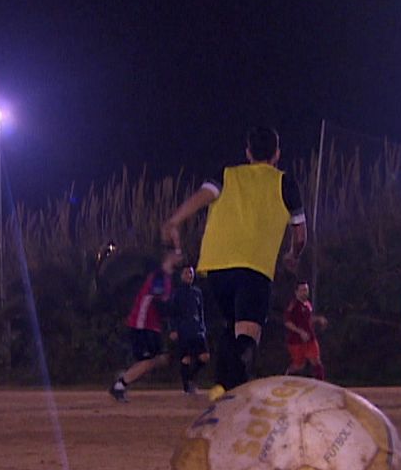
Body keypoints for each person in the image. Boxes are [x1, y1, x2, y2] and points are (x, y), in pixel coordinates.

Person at [162, 126, 306, 398]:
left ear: (248, 152)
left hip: (216, 267)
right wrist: (292, 255)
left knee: (234, 327)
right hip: (254, 267)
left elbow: (201, 198)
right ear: (277, 154)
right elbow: (300, 234)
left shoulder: (226, 175)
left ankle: (224, 386)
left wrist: (174, 220)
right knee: (248, 335)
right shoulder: (285, 182)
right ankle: (228, 390)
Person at [110, 248, 182, 402]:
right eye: (177, 254)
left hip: (152, 325)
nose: (180, 257)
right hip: (142, 323)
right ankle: (119, 385)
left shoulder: (168, 277)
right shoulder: (159, 275)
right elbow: (159, 300)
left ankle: (126, 376)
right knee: (148, 361)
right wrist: (173, 311)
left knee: (162, 359)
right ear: (168, 257)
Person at [169, 265, 211, 395]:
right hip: (184, 330)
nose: (189, 275)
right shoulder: (177, 293)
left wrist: (203, 327)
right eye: (187, 273)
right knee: (186, 358)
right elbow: (172, 313)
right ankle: (187, 387)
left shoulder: (197, 292)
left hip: (197, 330)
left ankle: (191, 378)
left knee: (204, 357)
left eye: (191, 273)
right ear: (181, 276)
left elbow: (201, 311)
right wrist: (173, 329)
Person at [283, 281, 326, 380]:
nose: (305, 292)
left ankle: (320, 384)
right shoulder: (293, 305)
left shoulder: (307, 304)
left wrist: (318, 319)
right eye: (302, 290)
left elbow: (308, 319)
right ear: (296, 292)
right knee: (299, 365)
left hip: (309, 338)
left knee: (316, 361)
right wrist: (300, 332)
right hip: (296, 340)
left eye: (306, 290)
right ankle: (287, 376)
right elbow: (287, 322)